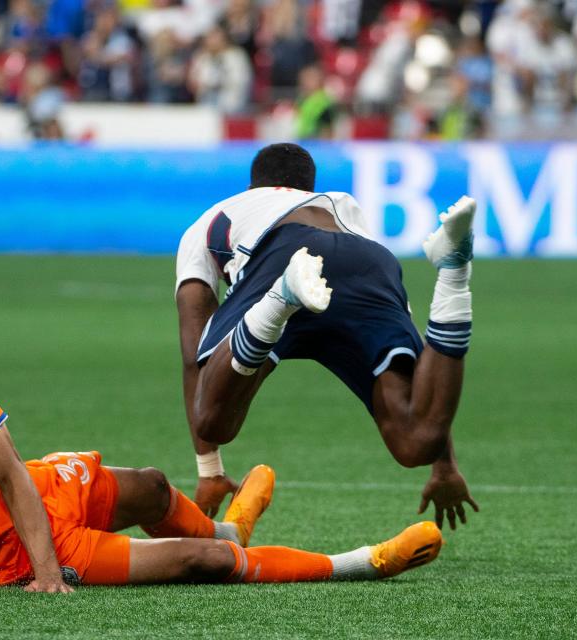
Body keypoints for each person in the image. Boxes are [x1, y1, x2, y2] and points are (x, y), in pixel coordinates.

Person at [0, 306, 443, 594]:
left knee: (155, 488)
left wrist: (48, 566)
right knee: (205, 562)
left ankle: (231, 525)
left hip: (35, 501)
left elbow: (9, 473)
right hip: (0, 560)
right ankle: (364, 562)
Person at [175, 143, 479, 530]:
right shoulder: (341, 205)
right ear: (308, 185)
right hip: (366, 259)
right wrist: (444, 465)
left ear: (254, 184)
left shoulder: (212, 219)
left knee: (213, 422)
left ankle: (280, 298)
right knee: (416, 441)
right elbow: (422, 371)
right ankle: (454, 272)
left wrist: (209, 469)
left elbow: (193, 351)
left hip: (280, 254)